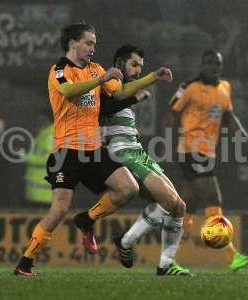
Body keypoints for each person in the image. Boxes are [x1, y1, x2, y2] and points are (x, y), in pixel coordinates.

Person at [14, 23, 169, 276]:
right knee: (60, 208)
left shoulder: (96, 69)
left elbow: (119, 94)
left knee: (128, 188)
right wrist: (101, 79)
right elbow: (68, 90)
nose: (92, 48)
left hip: (94, 150)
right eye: (88, 43)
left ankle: (87, 219)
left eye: (94, 44)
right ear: (73, 43)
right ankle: (25, 262)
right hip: (66, 152)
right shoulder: (60, 70)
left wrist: (152, 77)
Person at [94, 45, 191, 276]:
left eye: (140, 66)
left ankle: (166, 264)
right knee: (168, 201)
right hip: (122, 153)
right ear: (119, 63)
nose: (137, 70)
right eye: (134, 64)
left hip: (137, 151)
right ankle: (126, 242)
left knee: (179, 207)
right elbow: (103, 107)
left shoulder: (123, 88)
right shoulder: (108, 83)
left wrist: (129, 128)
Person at [168, 49, 248, 271]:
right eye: (208, 63)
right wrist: (169, 142)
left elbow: (229, 117)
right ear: (202, 65)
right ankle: (232, 256)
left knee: (187, 207)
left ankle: (167, 258)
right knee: (213, 197)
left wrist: (246, 141)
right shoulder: (189, 87)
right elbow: (171, 113)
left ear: (221, 66)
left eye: (217, 63)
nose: (213, 67)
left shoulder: (225, 88)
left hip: (208, 152)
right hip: (191, 149)